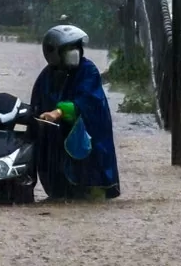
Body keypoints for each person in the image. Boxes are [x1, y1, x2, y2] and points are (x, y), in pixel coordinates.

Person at [31, 25, 120, 201]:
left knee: (91, 197)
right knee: (61, 196)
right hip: (58, 144)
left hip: (88, 142)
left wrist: (58, 112)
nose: (74, 52)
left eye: (76, 47)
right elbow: (36, 106)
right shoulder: (46, 77)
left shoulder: (88, 71)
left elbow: (86, 100)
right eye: (68, 48)